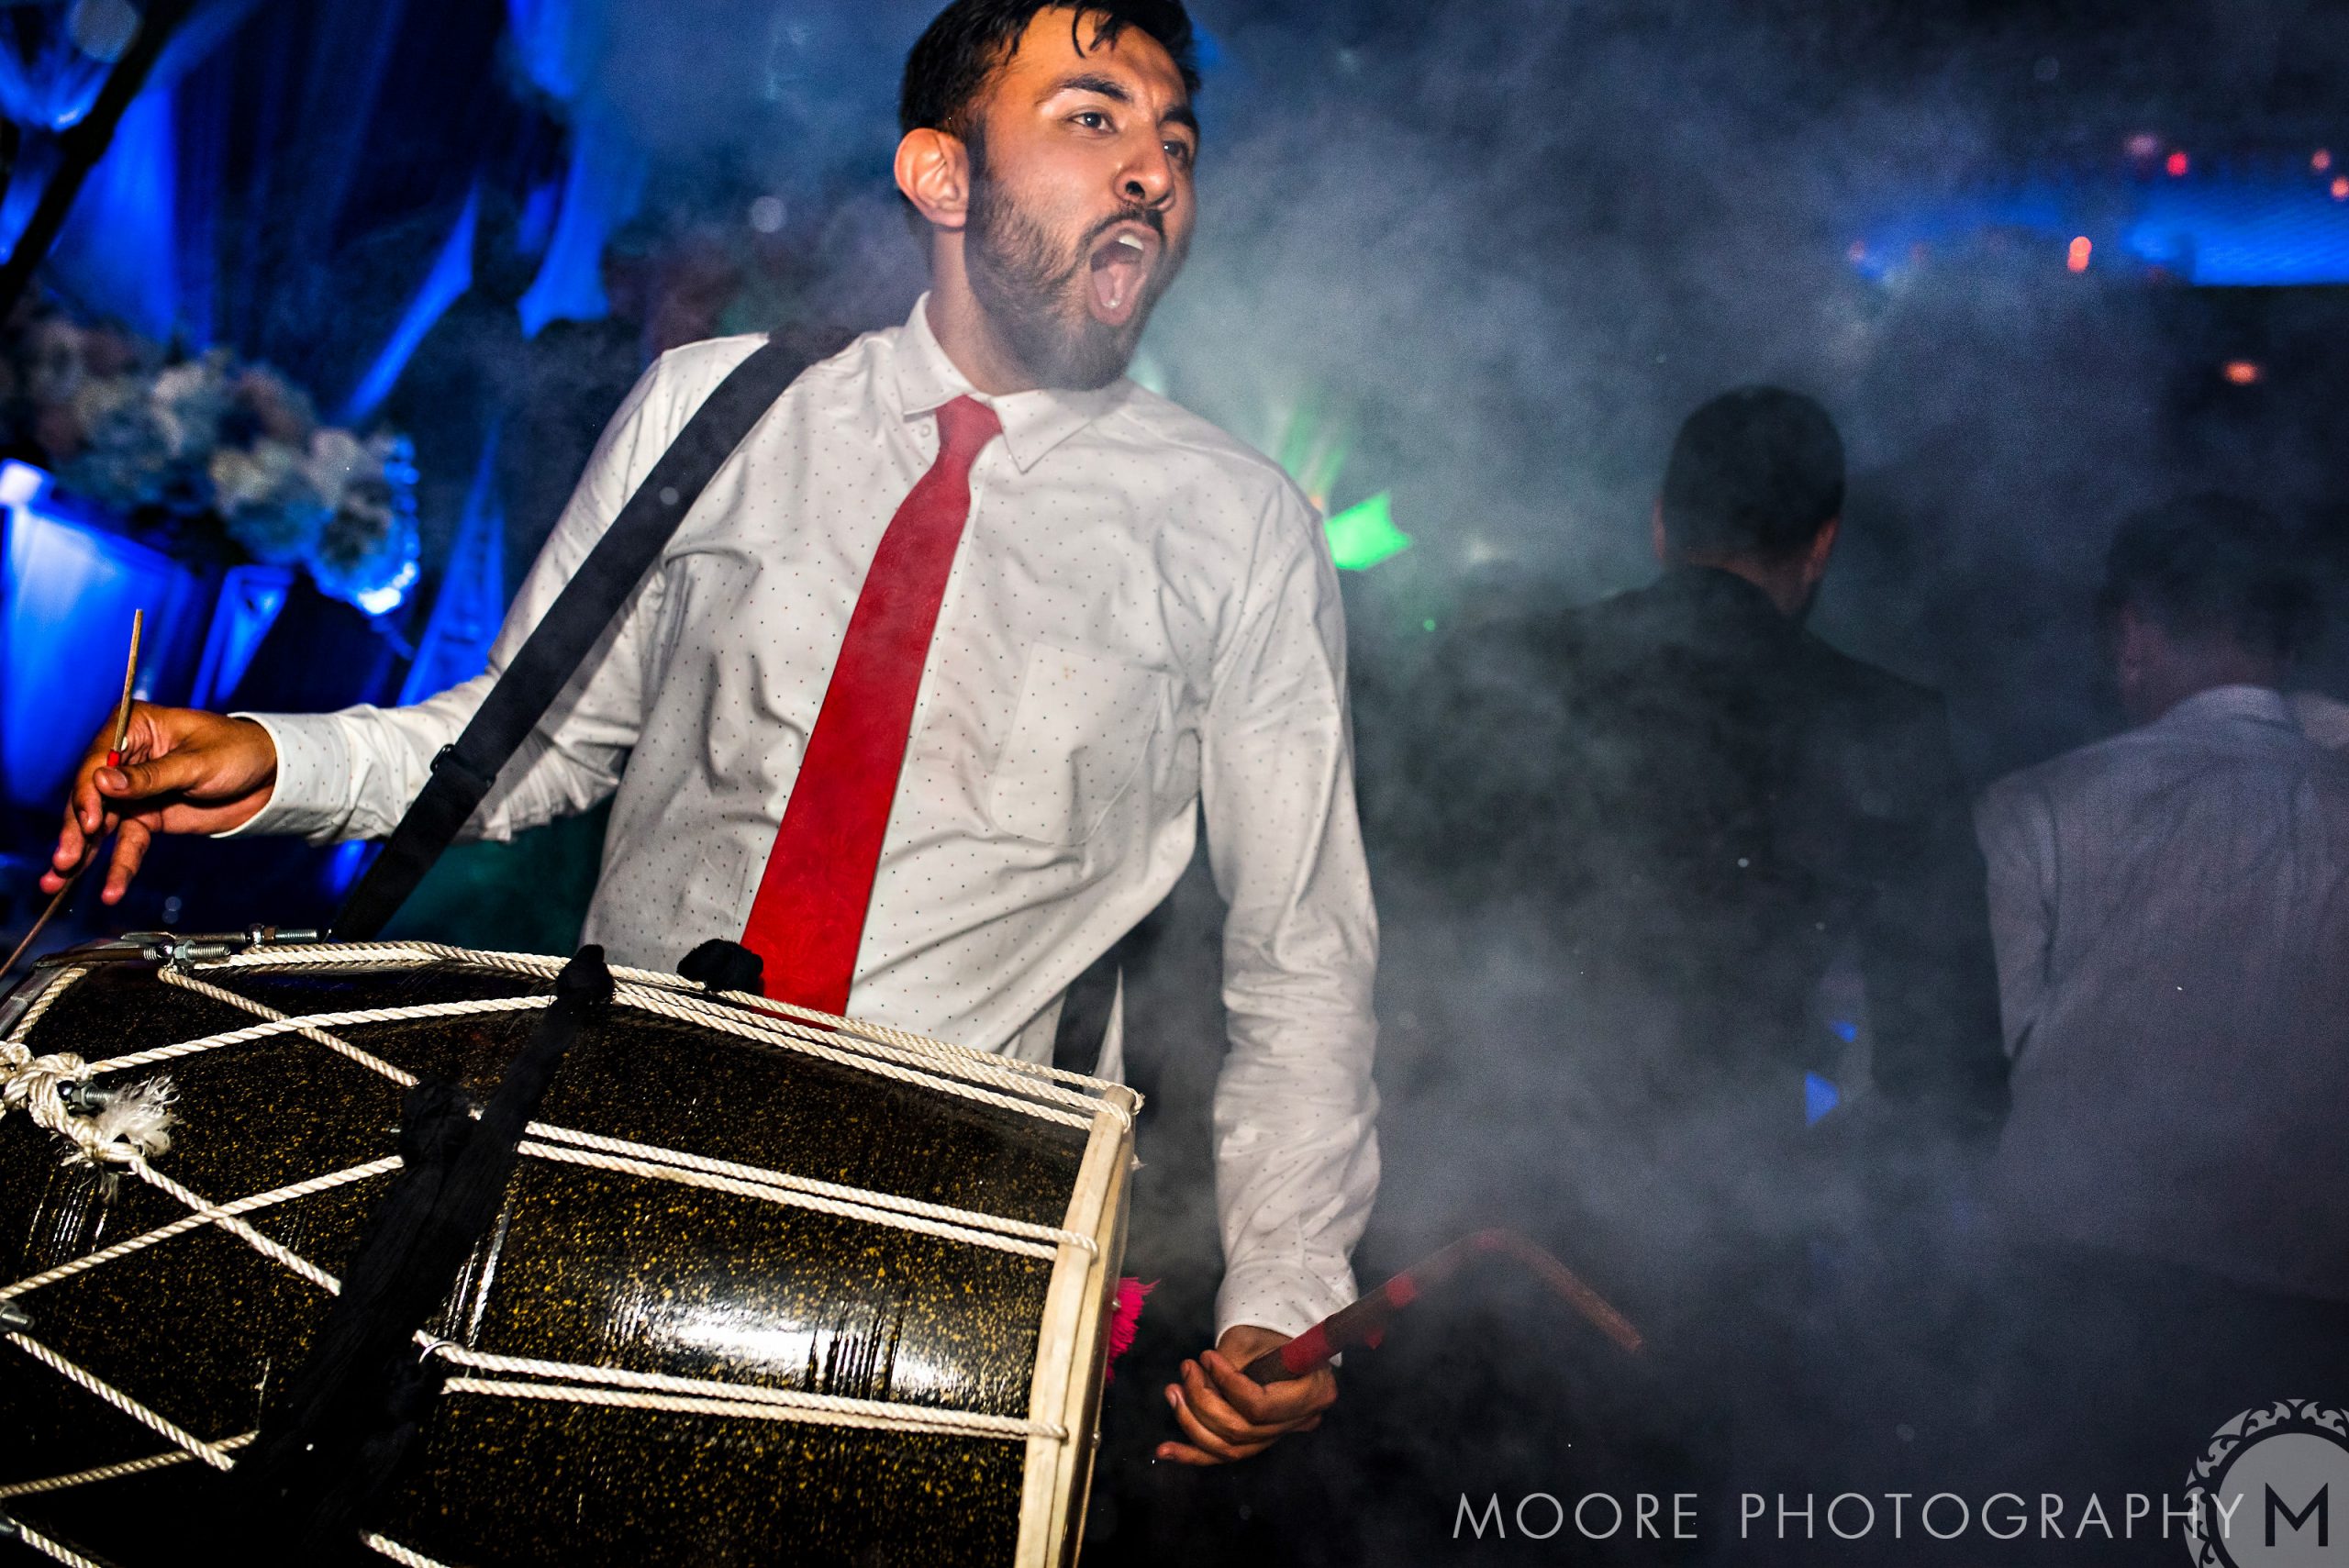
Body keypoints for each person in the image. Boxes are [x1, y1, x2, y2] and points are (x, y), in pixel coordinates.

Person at [43, 0, 1375, 1471]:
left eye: (1174, 140)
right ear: (940, 175)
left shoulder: (1237, 528)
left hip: (944, 1262)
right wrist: (277, 759)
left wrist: (1285, 1286)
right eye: (1093, 116)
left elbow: (1299, 944)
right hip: (604, 1165)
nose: (1151, 170)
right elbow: (526, 739)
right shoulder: (718, 408)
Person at [1373, 386, 2006, 1551]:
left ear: (1659, 521)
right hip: (1709, 1263)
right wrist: (1802, 1191)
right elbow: (1949, 1073)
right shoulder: (1877, 721)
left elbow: (1377, 946)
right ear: (1819, 548)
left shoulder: (1491, 667)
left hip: (1461, 1221)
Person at [1973, 495, 2349, 1517]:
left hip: (2071, 1303)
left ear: (2131, 631)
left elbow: (1976, 1063)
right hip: (2309, 1322)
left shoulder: (2038, 803)